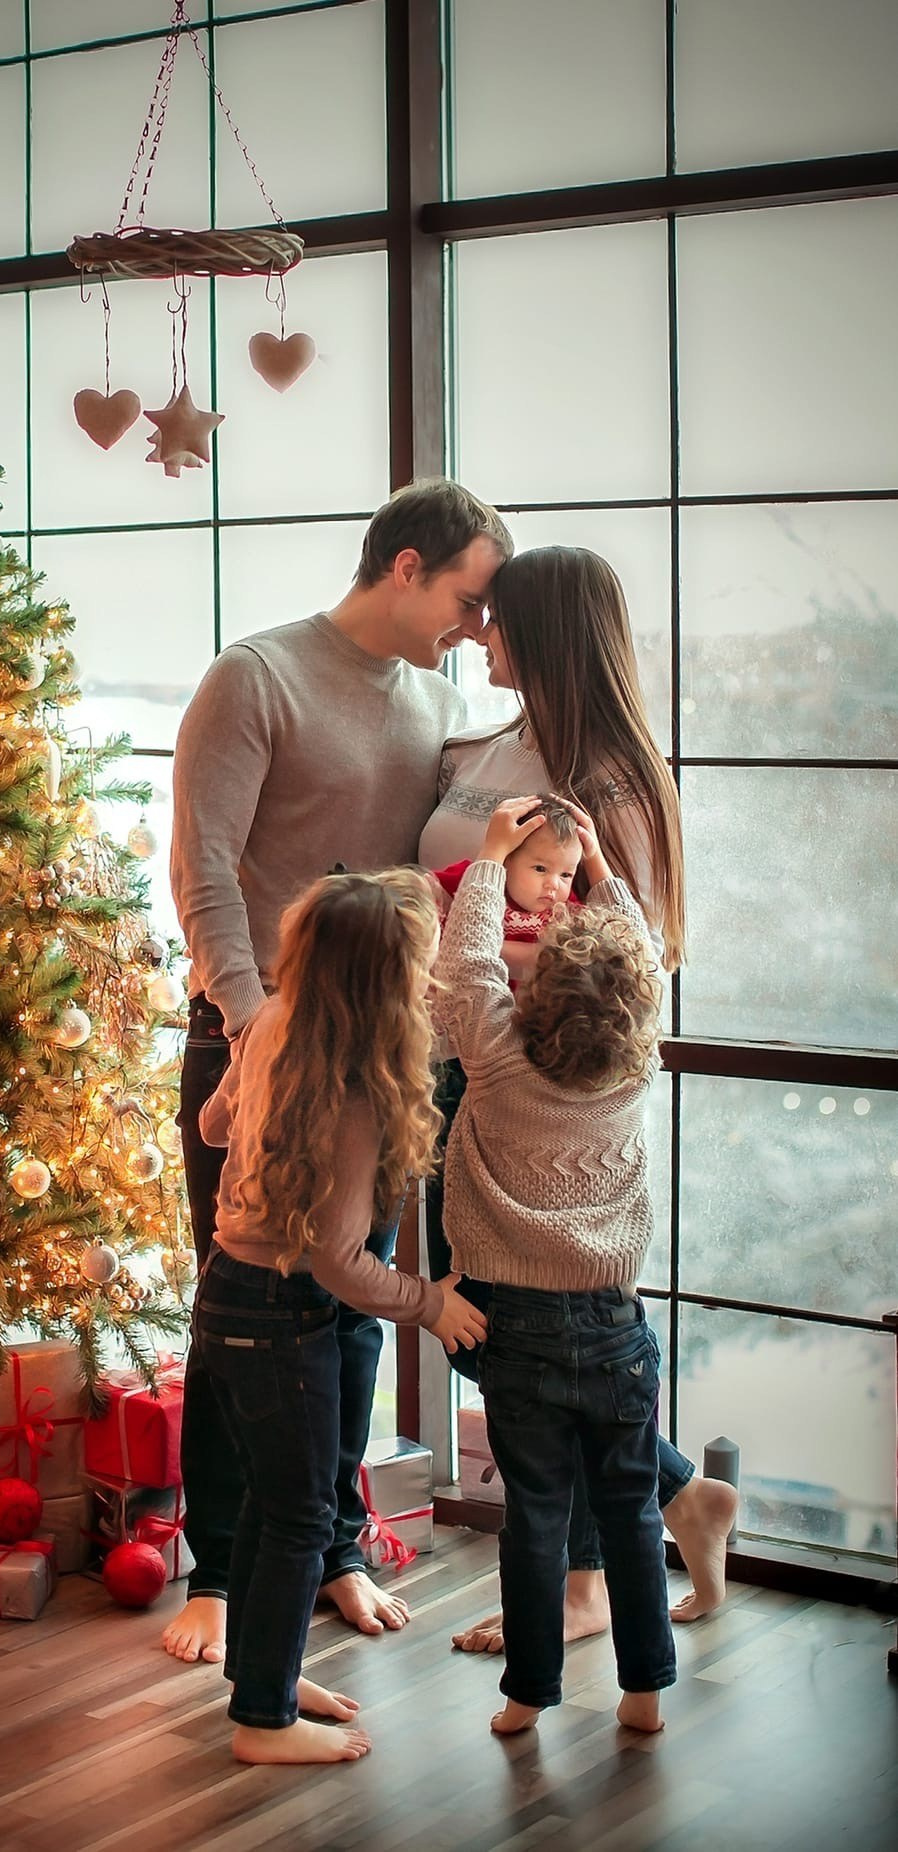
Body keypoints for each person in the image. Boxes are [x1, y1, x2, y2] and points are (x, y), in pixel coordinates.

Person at [165, 478, 514, 1665]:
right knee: (240, 1315)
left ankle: (334, 1552)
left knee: (352, 1305)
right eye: (468, 599)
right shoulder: (254, 676)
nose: (476, 627)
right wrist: (255, 1024)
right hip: (248, 1034)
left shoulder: (442, 705)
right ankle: (216, 1570)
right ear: (405, 566)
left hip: (385, 1054)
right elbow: (203, 866)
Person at [417, 545, 738, 1651]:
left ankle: (587, 1588)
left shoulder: (601, 778)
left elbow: (631, 955)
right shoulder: (508, 744)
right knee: (483, 1327)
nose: (480, 634)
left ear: (547, 636)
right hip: (474, 1057)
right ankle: (678, 1495)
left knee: (517, 1331)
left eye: (498, 620)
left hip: (533, 1074)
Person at [194, 867, 488, 1764]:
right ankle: (262, 1727)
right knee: (295, 1519)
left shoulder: (272, 1024)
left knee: (265, 1507)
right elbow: (343, 1264)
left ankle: (263, 1677)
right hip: (283, 1316)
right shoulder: (358, 1089)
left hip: (224, 1294)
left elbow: (212, 1128)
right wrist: (431, 1304)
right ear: (390, 981)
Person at [433, 795, 674, 1736]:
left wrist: (492, 857)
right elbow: (641, 956)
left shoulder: (496, 1060)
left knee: (533, 1521)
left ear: (533, 1001)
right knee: (629, 1519)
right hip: (618, 1326)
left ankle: (527, 1699)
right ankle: (645, 1692)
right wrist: (604, 864)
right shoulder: (636, 1068)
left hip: (519, 1327)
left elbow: (463, 969)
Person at [431, 796, 584, 989]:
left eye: (566, 874)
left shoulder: (566, 911)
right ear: (506, 859)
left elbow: (575, 957)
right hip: (463, 992)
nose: (553, 884)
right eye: (540, 868)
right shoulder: (475, 881)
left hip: (527, 1008)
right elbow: (421, 890)